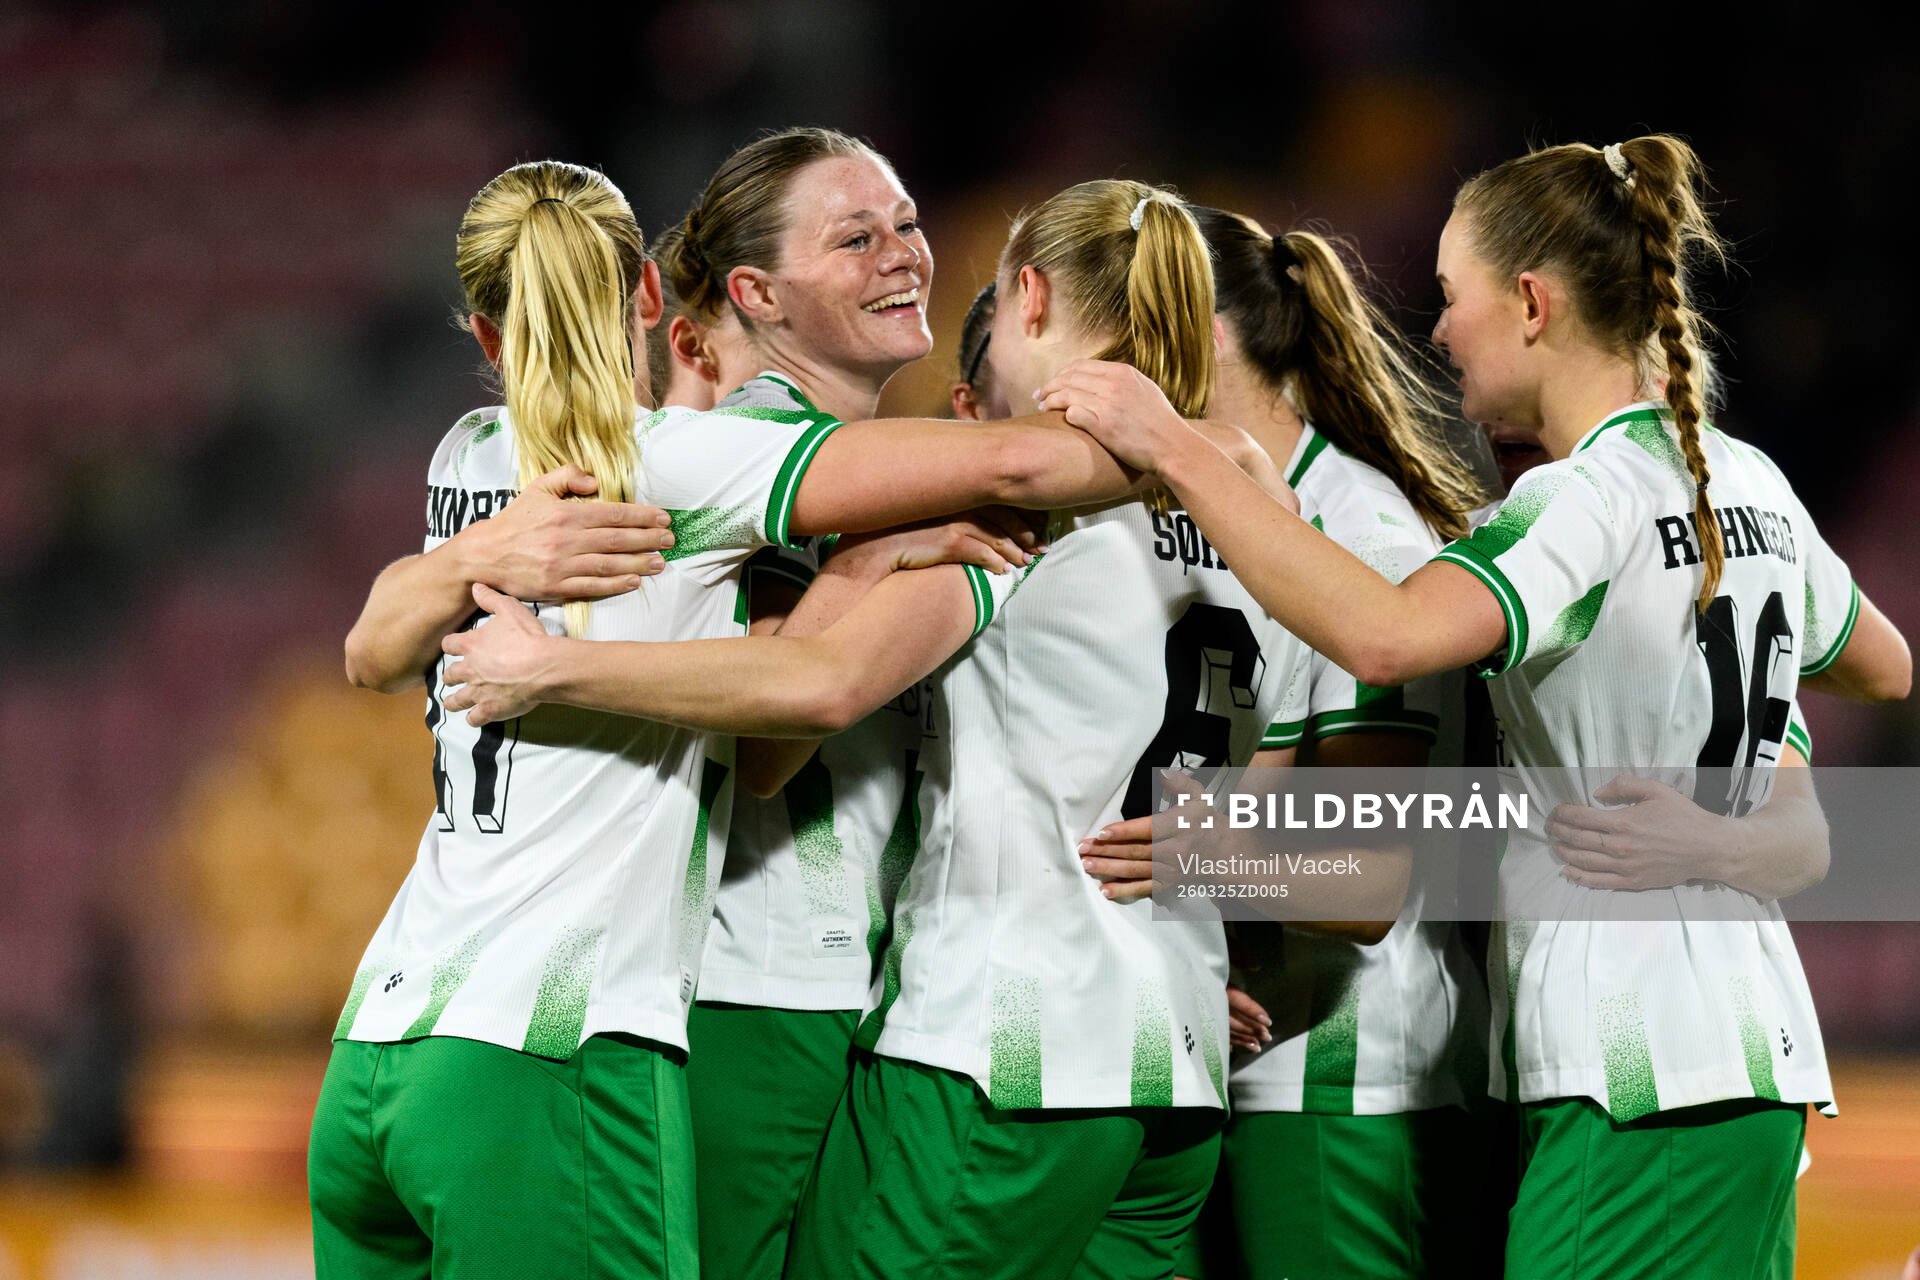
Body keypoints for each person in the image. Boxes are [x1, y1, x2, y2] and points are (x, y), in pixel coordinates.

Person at [1039, 134, 1910, 1277]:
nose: (1440, 330)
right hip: (1738, 1041)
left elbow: (1386, 632)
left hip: (1633, 1057)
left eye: (1454, 298)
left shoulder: (1578, 502)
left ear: (1534, 304)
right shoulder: (1746, 481)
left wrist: (1173, 448)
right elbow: (1883, 663)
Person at [441, 178, 1317, 1280]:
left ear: (1031, 296)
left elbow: (803, 702)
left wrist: (570, 660)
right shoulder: (1264, 506)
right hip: (1177, 1052)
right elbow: (1279, 793)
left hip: (1005, 1042)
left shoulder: (1027, 503)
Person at [316, 129, 1156, 1277]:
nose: (906, 253)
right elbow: (801, 711)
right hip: (926, 1032)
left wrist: (1230, 897)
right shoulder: (758, 463)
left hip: (1082, 1043)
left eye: (909, 226)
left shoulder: (491, 448)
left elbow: (1335, 847)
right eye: (857, 235)